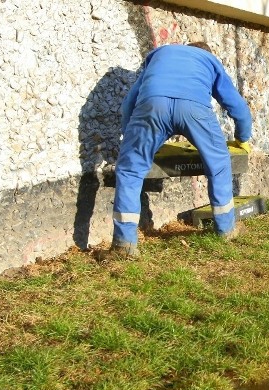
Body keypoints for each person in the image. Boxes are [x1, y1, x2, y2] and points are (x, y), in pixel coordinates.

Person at [108, 41, 252, 259]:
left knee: (129, 170)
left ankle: (124, 244)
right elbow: (236, 105)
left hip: (151, 106)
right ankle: (226, 230)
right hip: (194, 109)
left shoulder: (160, 54)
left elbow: (129, 102)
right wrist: (243, 137)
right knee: (219, 164)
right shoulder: (209, 61)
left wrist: (132, 137)